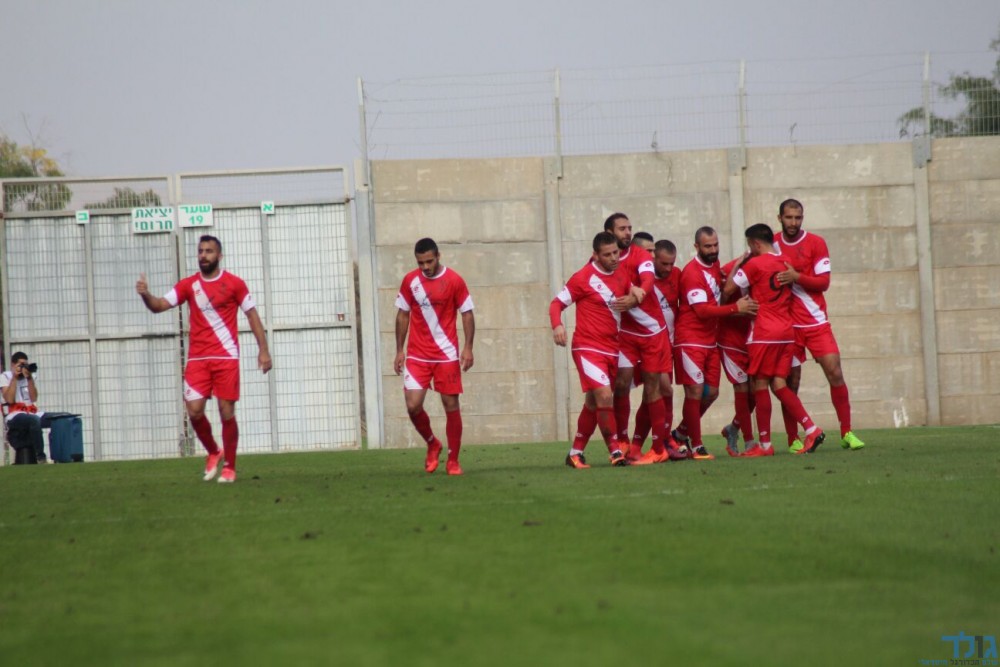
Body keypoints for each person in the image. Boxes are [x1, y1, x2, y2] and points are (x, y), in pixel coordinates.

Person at [136, 235, 272, 483]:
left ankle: (230, 466)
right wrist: (146, 294)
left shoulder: (235, 284)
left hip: (225, 356)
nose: (203, 255)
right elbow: (158, 306)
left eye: (209, 251)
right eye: (200, 251)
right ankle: (214, 451)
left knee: (226, 411)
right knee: (194, 411)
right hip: (198, 359)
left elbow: (252, 315)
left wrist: (263, 350)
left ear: (219, 256)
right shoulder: (188, 285)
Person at [723, 223, 825, 456]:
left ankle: (765, 445)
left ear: (755, 243)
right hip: (786, 332)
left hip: (764, 333)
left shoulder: (754, 264)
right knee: (779, 384)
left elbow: (728, 289)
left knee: (760, 385)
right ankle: (811, 429)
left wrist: (740, 263)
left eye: (750, 245)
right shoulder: (786, 262)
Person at [773, 199, 865, 452]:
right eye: (789, 217)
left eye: (798, 218)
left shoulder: (816, 243)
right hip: (788, 326)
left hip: (815, 322)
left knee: (835, 372)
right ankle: (793, 439)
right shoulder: (772, 245)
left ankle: (847, 433)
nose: (793, 222)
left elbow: (823, 283)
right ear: (780, 218)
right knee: (791, 382)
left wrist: (796, 277)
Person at [672, 227, 758, 460]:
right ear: (696, 247)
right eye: (707, 246)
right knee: (695, 391)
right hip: (690, 340)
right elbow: (702, 311)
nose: (713, 250)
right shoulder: (692, 273)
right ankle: (697, 445)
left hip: (710, 341)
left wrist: (738, 264)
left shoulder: (715, 265)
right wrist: (735, 308)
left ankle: (680, 434)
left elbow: (722, 289)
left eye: (715, 245)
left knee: (712, 393)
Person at [550, 231, 633, 468]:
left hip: (612, 348)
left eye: (616, 252)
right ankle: (615, 451)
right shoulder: (583, 277)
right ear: (595, 255)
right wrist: (557, 325)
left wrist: (635, 296)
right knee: (605, 396)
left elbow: (631, 296)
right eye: (607, 255)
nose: (613, 258)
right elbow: (556, 303)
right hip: (587, 347)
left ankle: (575, 453)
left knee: (594, 403)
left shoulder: (622, 274)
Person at [394, 238, 475, 476]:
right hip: (417, 354)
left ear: (438, 256)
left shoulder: (454, 280)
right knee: (413, 405)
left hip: (446, 354)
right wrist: (399, 350)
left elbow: (467, 314)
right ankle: (432, 443)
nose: (425, 267)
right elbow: (402, 315)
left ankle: (453, 461)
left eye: (429, 261)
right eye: (421, 263)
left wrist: (468, 348)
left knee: (450, 404)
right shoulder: (410, 281)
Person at [603, 215, 674, 466]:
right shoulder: (603, 261)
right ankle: (624, 442)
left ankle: (658, 448)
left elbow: (648, 278)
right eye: (622, 229)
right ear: (609, 232)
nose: (627, 232)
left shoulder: (640, 255)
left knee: (654, 387)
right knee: (620, 384)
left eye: (629, 228)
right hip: (625, 335)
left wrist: (638, 294)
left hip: (652, 332)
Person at [628, 239, 687, 461]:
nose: (668, 268)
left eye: (671, 263)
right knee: (660, 391)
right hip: (644, 343)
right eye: (663, 263)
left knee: (654, 394)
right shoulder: (637, 278)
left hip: (665, 344)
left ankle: (640, 446)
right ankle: (661, 442)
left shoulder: (676, 276)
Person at [717, 254, 758, 457]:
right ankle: (750, 442)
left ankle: (733, 428)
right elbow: (720, 302)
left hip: (754, 338)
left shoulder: (764, 268)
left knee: (756, 391)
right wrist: (740, 311)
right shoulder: (728, 270)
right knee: (741, 387)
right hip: (730, 340)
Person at [1, 352, 46, 464]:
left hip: (32, 412)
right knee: (34, 420)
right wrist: (15, 378)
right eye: (21, 365)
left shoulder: (29, 377)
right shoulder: (5, 376)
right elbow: (9, 399)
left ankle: (64, 457)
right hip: (14, 415)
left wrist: (29, 378)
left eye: (25, 365)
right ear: (13, 365)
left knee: (61, 418)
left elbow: (34, 398)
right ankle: (40, 457)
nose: (23, 368)